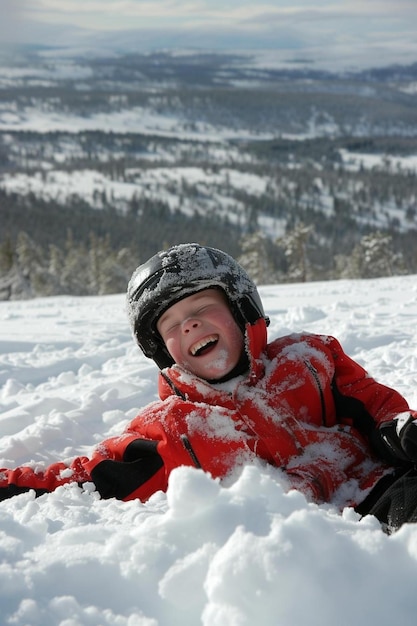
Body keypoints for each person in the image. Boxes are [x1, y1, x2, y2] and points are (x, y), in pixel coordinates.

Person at [1, 243, 417, 533]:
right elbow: (89, 476)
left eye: (202, 309)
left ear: (243, 312)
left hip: (374, 489)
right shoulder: (171, 428)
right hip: (292, 536)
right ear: (163, 351)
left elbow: (375, 404)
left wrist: (401, 430)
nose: (190, 325)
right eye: (172, 326)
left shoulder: (308, 359)